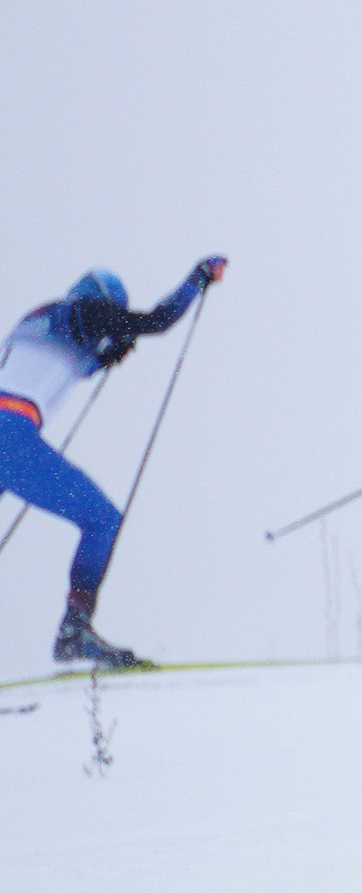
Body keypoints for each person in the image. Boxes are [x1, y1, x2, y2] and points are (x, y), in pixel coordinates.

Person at [0, 258, 227, 666]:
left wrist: (109, 351)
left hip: (9, 433)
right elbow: (159, 320)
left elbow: (75, 362)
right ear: (102, 302)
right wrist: (198, 278)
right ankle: (75, 631)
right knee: (102, 519)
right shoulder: (83, 311)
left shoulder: (40, 320)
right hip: (9, 438)